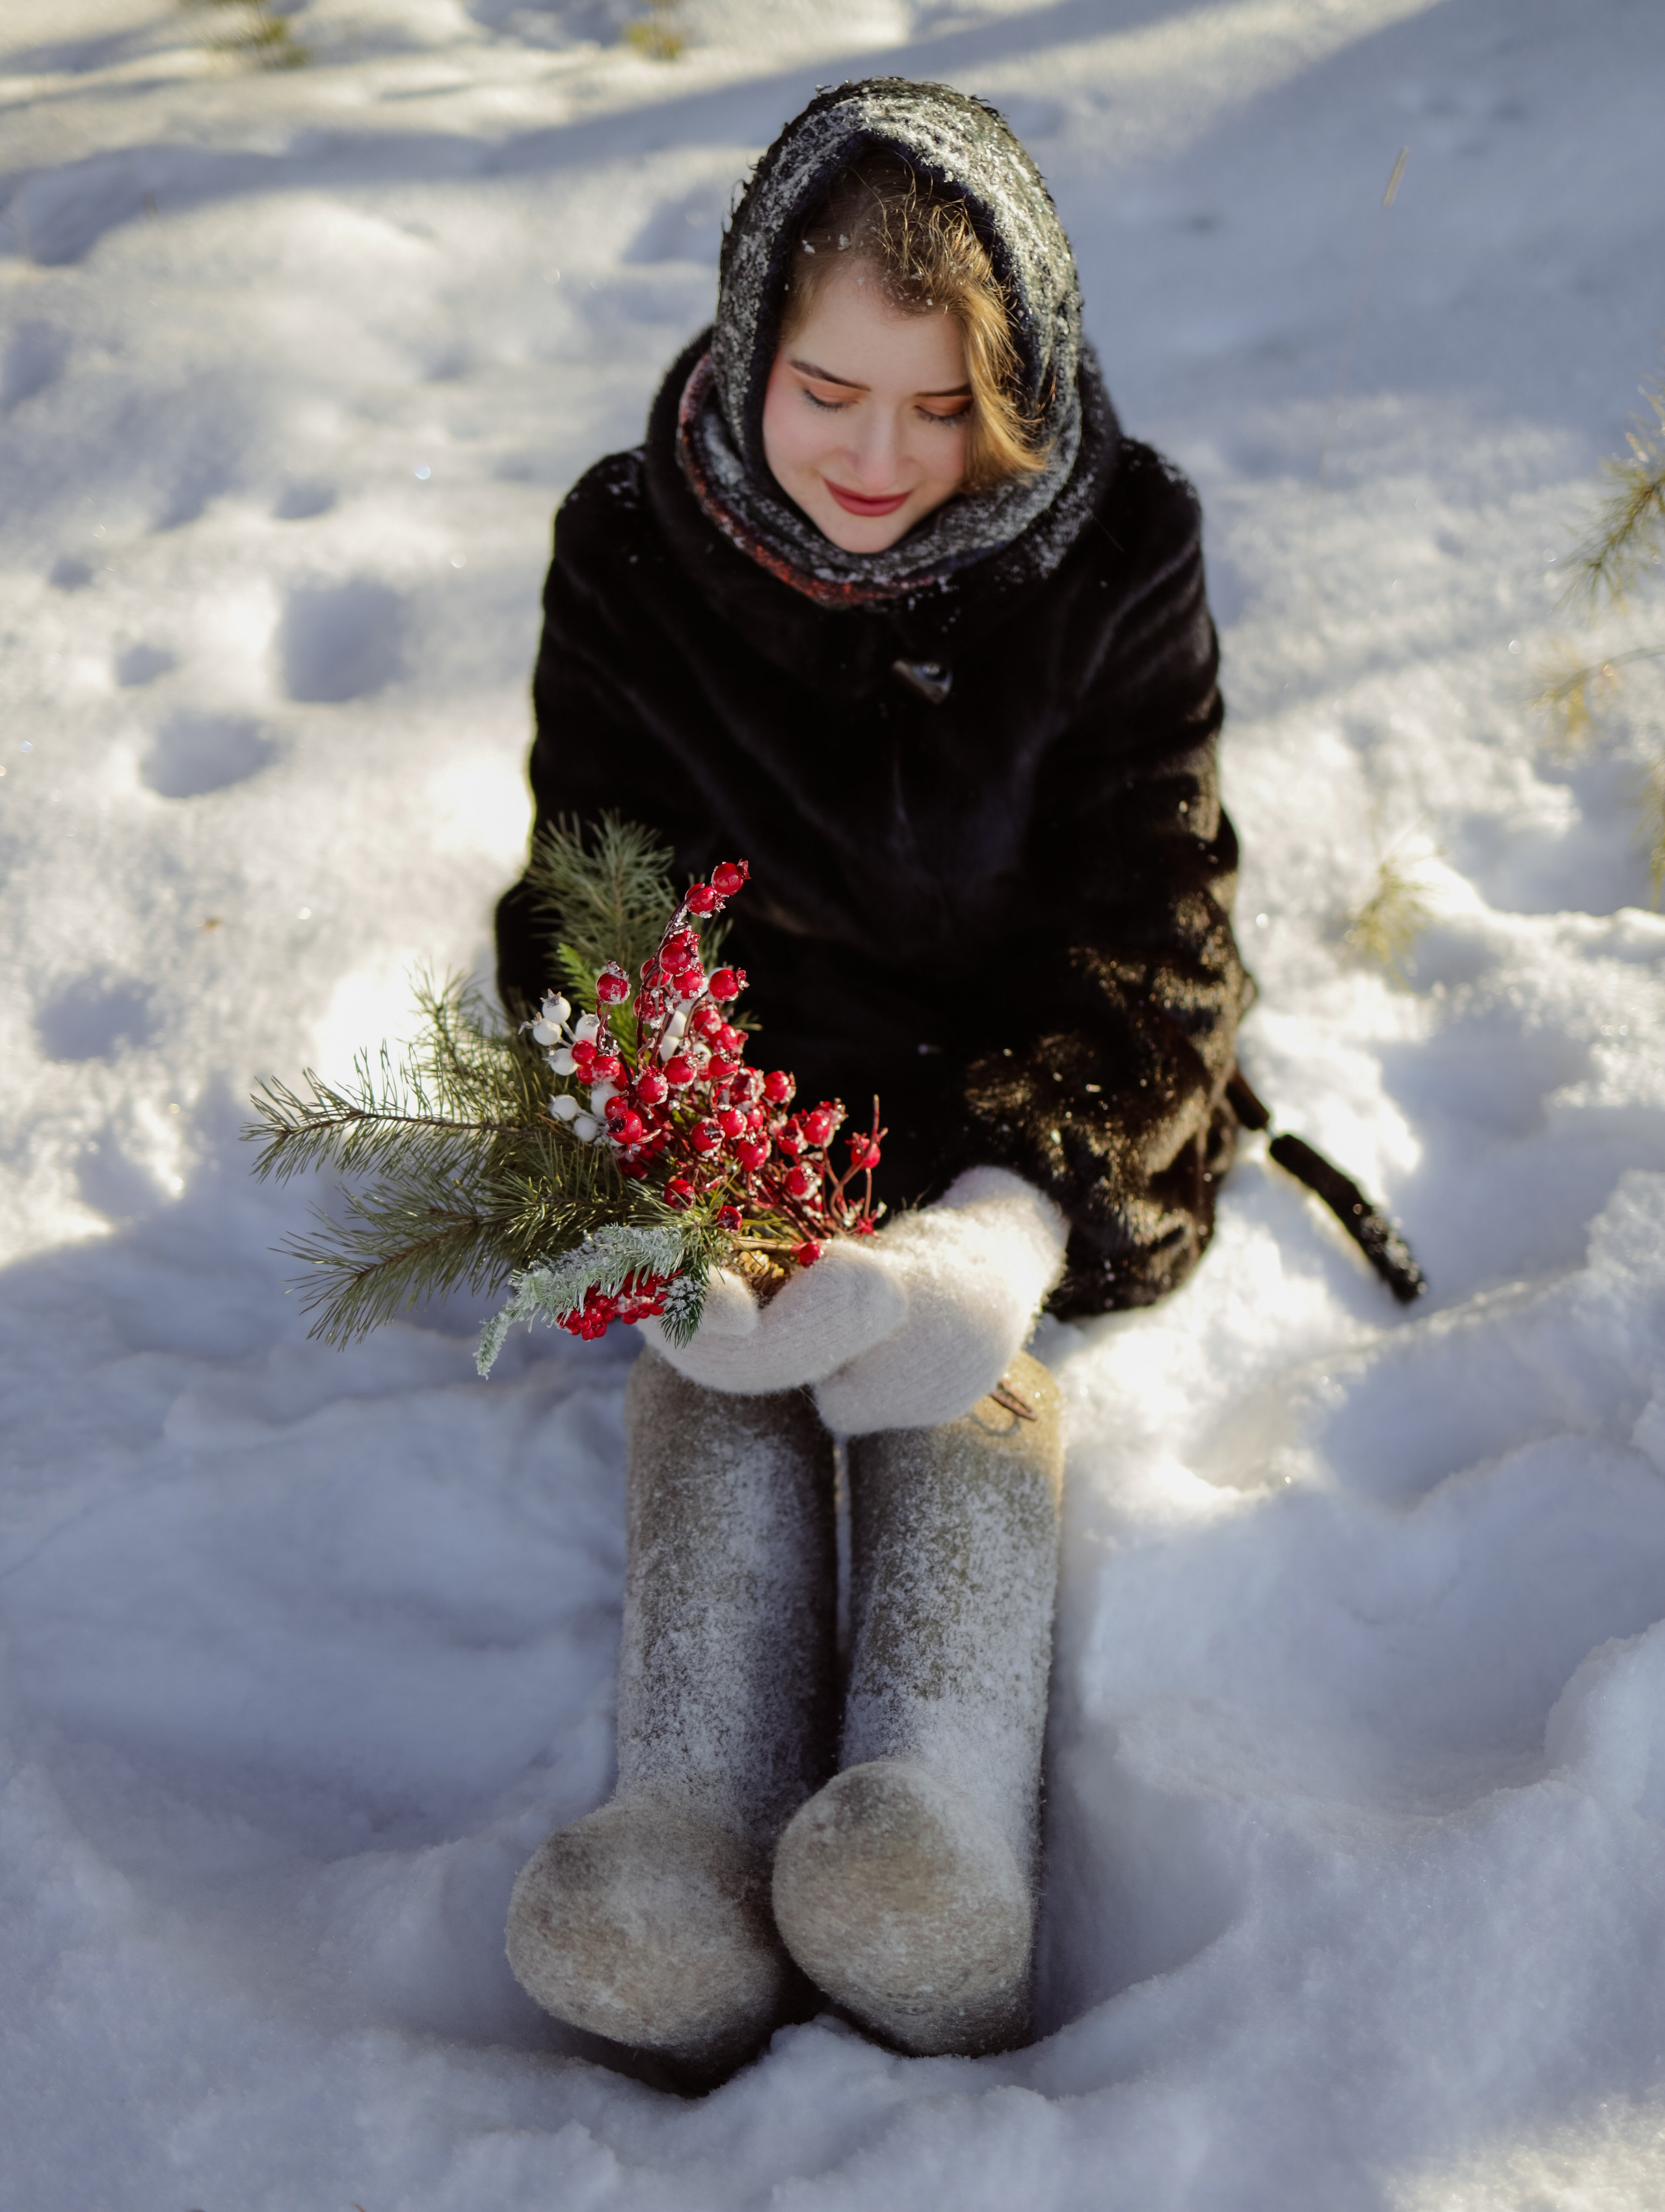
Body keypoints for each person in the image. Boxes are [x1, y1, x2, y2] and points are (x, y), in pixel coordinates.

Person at [494, 77, 1248, 2085]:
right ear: (755, 342)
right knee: (729, 1382)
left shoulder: (1120, 551)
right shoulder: (634, 550)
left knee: (941, 1389)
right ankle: (685, 1831)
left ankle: (939, 1843)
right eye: (832, 389)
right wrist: (673, 1175)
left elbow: (1157, 922)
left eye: (944, 412)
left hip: (1003, 1119)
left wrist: (1004, 1220)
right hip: (757, 1121)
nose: (881, 456)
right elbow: (596, 897)